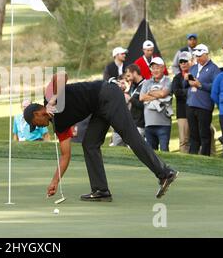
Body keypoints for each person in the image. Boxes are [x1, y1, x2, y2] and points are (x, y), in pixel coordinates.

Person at [23, 72, 178, 202]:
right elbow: (65, 155)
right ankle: (100, 190)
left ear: (37, 113)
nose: (37, 127)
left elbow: (62, 74)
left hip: (107, 93)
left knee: (130, 136)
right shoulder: (59, 124)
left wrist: (53, 99)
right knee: (89, 144)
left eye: (34, 123)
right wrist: (55, 181)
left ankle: (165, 173)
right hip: (98, 107)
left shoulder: (49, 95)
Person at [185, 44, 220, 156]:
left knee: (204, 135)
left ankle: (205, 157)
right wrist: (186, 80)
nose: (198, 58)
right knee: (193, 135)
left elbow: (215, 87)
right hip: (191, 104)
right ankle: (193, 158)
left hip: (204, 106)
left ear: (206, 54)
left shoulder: (214, 69)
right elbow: (185, 85)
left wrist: (200, 85)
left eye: (200, 56)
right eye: (196, 56)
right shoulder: (194, 67)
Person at [140, 57, 173, 152]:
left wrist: (149, 93)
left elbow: (163, 94)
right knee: (151, 153)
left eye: (157, 67)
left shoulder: (168, 81)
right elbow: (141, 97)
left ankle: (165, 168)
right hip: (149, 124)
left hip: (164, 124)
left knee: (164, 151)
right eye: (153, 68)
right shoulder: (146, 82)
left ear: (163, 68)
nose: (155, 70)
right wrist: (157, 95)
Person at [172, 51, 193, 153]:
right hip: (183, 113)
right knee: (184, 140)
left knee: (196, 138)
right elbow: (176, 92)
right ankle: (185, 162)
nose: (183, 64)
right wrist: (190, 91)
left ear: (191, 61)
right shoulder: (177, 78)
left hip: (195, 110)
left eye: (186, 61)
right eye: (181, 62)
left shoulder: (195, 74)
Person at [125, 64, 146, 137]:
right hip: (132, 123)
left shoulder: (145, 85)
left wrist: (130, 99)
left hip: (141, 123)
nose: (128, 78)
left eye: (128, 75)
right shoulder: (132, 85)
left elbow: (144, 105)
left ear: (134, 73)